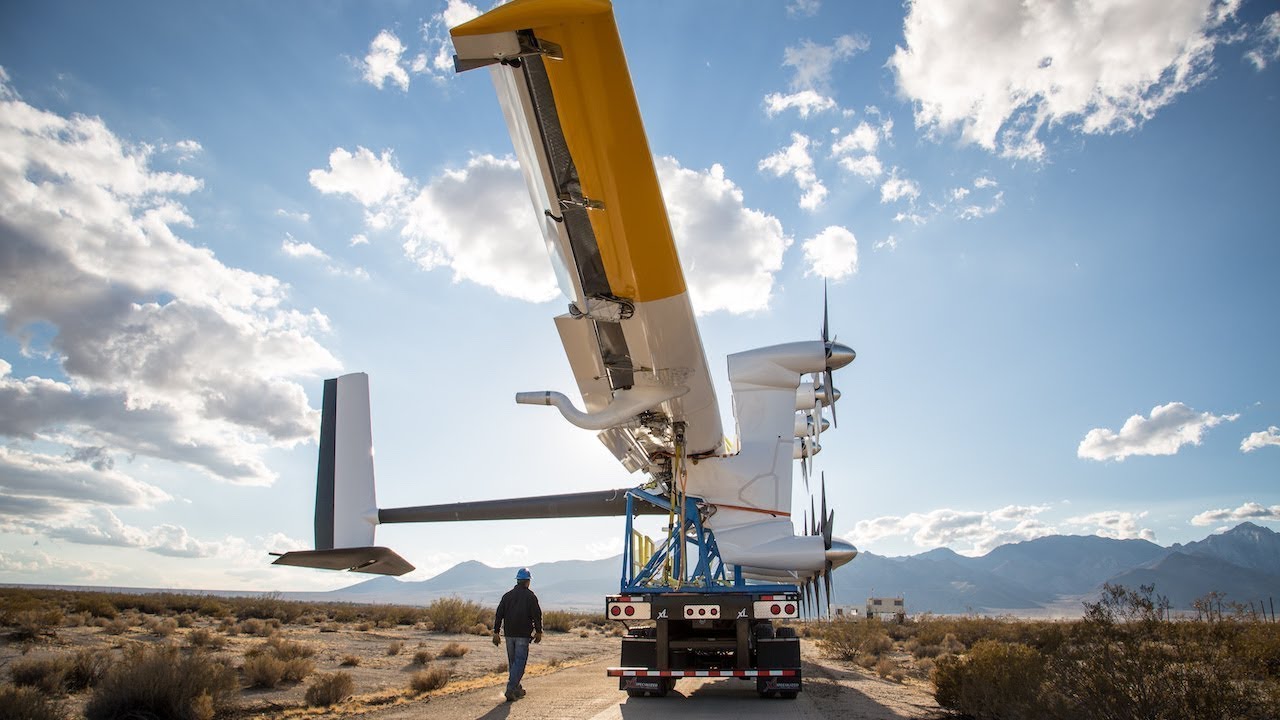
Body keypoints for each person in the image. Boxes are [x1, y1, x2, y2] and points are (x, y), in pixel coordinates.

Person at [492, 567, 543, 702]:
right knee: (519, 663)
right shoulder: (530, 596)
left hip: (509, 634)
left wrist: (496, 632)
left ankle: (517, 688)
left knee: (513, 662)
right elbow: (537, 615)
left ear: (518, 580)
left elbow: (499, 614)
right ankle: (510, 688)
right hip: (522, 635)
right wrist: (538, 631)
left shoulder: (507, 596)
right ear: (527, 581)